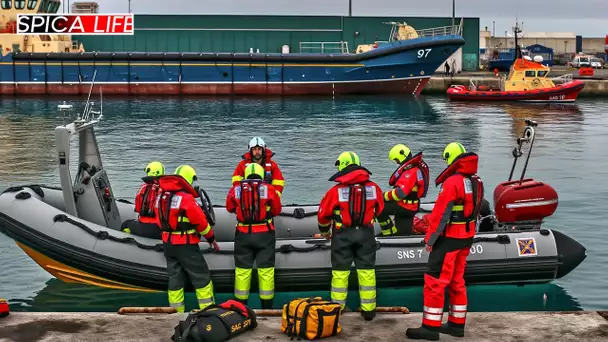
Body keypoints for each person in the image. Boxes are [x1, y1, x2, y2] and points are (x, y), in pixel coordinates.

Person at [406, 143, 484, 340]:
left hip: (449, 239)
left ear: (451, 158)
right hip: (466, 238)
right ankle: (457, 325)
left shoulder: (453, 183)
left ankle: (430, 328)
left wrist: (430, 239)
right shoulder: (476, 180)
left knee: (434, 281)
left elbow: (441, 214)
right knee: (457, 281)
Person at [317, 151, 384, 321]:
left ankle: (337, 309)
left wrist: (325, 232)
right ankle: (368, 310)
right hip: (366, 233)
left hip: (342, 235)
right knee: (367, 271)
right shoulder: (374, 188)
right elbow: (381, 209)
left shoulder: (335, 191)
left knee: (340, 272)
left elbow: (323, 215)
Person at [154, 164, 220, 313]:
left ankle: (176, 314)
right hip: (186, 245)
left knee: (175, 279)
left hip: (168, 245)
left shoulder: (161, 197)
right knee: (201, 277)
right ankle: (208, 311)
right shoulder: (186, 199)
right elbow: (201, 223)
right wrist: (211, 239)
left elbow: (159, 220)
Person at [226, 163, 282, 309]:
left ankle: (240, 308)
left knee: (242, 272)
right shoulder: (268, 189)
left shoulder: (236, 189)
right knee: (266, 272)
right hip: (265, 235)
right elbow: (277, 209)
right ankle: (266, 308)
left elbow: (229, 207)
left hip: (243, 235)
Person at [376, 144, 429, 236]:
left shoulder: (410, 172)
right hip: (411, 207)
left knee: (378, 207)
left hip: (404, 206)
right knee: (403, 234)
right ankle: (398, 235)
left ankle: (388, 233)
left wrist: (382, 196)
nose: (397, 162)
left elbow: (399, 194)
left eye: (396, 159)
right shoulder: (415, 169)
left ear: (401, 156)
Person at [121, 161, 165, 239]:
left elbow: (138, 209)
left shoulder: (142, 188)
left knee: (125, 224)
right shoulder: (166, 191)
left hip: (142, 226)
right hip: (158, 229)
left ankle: (126, 238)